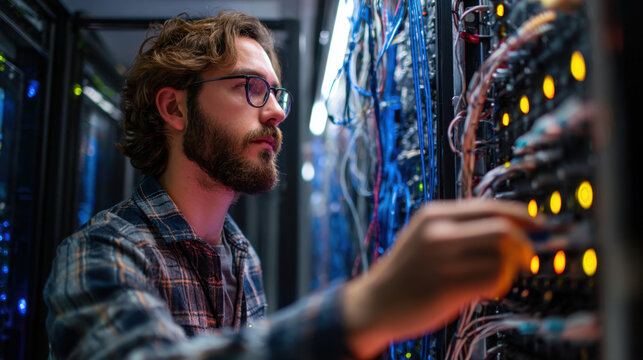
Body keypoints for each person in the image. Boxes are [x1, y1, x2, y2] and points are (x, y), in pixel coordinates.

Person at [43, 11, 541, 360]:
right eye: (250, 88)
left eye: (276, 93)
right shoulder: (99, 255)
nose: (278, 111)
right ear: (175, 108)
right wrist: (364, 309)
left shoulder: (241, 258)